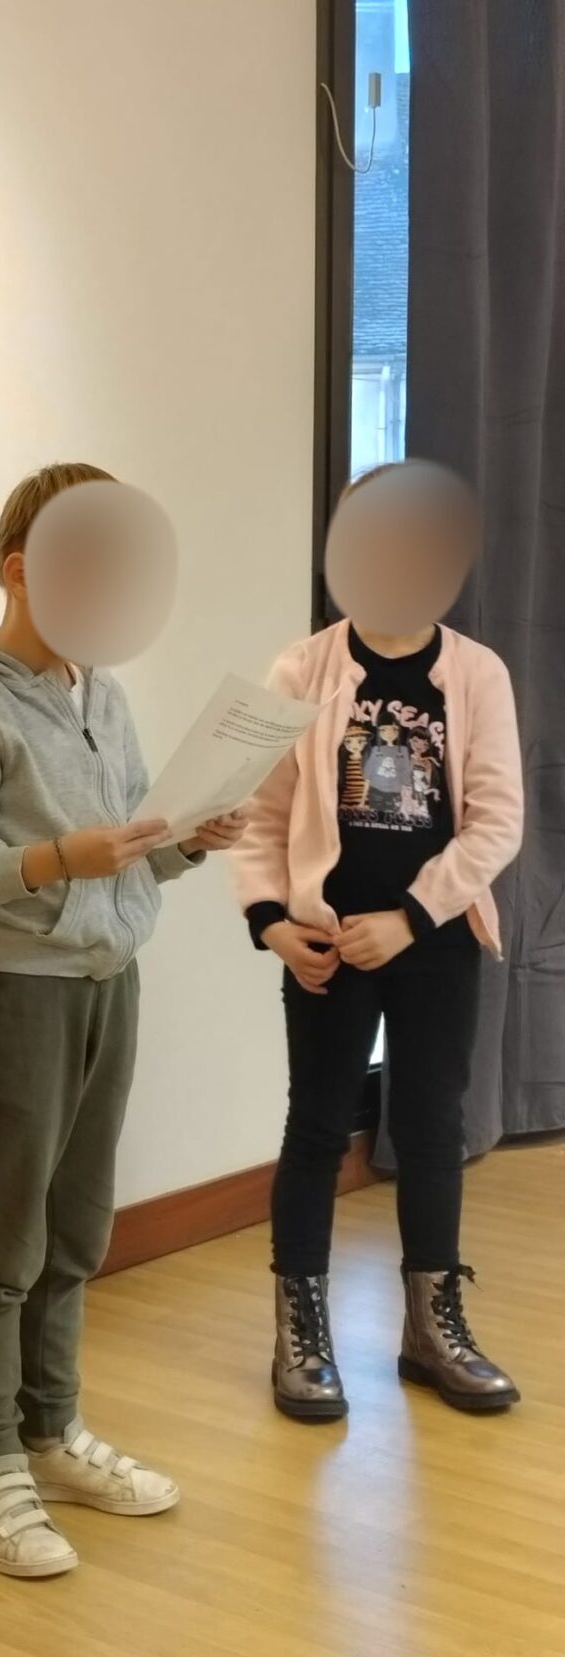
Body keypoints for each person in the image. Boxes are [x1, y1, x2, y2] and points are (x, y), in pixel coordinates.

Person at [0, 462, 247, 1579]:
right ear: (22, 569)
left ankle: (50, 1430)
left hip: (109, 983)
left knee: (78, 1228)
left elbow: (125, 853)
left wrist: (190, 839)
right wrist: (56, 858)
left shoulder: (105, 696)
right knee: (4, 1238)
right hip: (13, 991)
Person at [231, 470, 523, 1423]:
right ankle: (301, 1334)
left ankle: (432, 1330)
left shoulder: (477, 673)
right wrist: (273, 923)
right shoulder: (300, 671)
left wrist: (411, 914)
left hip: (432, 939)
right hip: (326, 941)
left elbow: (497, 823)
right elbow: (261, 814)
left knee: (433, 1127)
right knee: (317, 1128)